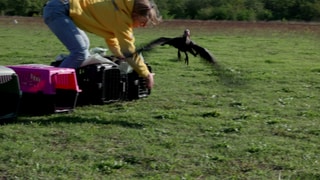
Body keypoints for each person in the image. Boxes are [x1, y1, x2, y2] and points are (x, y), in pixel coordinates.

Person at [43, 0, 161, 89]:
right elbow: (128, 51)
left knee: (83, 48)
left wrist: (119, 55)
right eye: (142, 22)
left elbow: (111, 38)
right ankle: (52, 88)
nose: (143, 26)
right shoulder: (122, 18)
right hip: (59, 10)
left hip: (61, 6)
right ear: (135, 14)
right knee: (79, 52)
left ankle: (57, 84)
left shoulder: (120, 8)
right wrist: (146, 74)